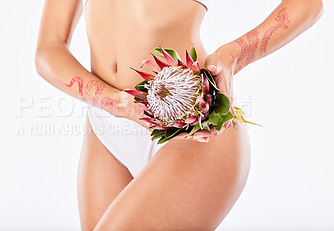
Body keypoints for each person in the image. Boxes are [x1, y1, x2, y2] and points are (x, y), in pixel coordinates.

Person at [35, 0, 323, 230]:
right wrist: (111, 102)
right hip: (106, 123)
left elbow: (308, 4)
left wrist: (234, 55)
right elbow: (49, 48)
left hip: (194, 126)